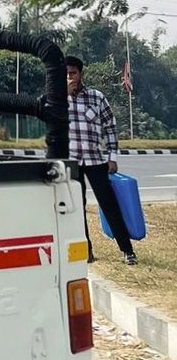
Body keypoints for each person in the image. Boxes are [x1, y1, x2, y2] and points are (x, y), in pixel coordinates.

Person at [66, 55, 137, 266]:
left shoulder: (96, 97)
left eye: (73, 73)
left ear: (81, 74)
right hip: (71, 161)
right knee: (77, 208)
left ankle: (127, 250)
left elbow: (110, 127)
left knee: (109, 205)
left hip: (96, 159)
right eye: (66, 74)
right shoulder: (56, 99)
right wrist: (62, 96)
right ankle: (86, 251)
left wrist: (112, 156)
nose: (70, 77)